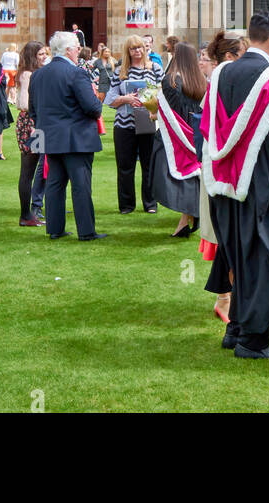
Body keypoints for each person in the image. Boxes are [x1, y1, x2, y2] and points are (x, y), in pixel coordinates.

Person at [201, 12, 269, 359]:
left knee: (235, 254)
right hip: (260, 182)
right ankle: (252, 342)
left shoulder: (222, 72)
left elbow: (208, 126)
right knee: (263, 257)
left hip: (223, 181)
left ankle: (235, 330)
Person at [29, 30, 107, 241]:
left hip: (50, 136)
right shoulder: (76, 73)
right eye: (76, 48)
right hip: (76, 137)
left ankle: (55, 229)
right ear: (68, 50)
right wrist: (96, 104)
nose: (79, 52)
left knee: (54, 183)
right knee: (80, 185)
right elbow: (92, 107)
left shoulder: (38, 74)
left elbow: (33, 109)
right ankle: (86, 231)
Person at [198, 30, 244, 323]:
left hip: (225, 167)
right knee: (226, 236)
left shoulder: (222, 81)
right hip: (219, 167)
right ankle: (225, 298)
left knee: (230, 236)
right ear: (229, 57)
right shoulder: (221, 83)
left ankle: (229, 296)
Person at [152, 42, 208, 237]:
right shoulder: (201, 81)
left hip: (176, 133)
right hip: (196, 132)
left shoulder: (170, 81)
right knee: (192, 174)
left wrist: (155, 112)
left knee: (171, 174)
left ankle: (188, 216)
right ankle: (188, 218)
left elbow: (171, 110)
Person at [104, 35, 164, 214]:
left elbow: (165, 92)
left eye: (139, 48)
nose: (137, 51)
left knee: (149, 165)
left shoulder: (155, 68)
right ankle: (127, 205)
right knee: (125, 166)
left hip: (148, 122)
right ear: (127, 51)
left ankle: (150, 203)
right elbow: (109, 99)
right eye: (133, 49)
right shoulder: (120, 72)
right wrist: (126, 99)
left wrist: (149, 98)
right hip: (124, 124)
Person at [15, 41, 48, 227]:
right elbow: (24, 103)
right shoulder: (28, 74)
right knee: (29, 170)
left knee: (37, 167)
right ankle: (26, 214)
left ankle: (32, 211)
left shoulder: (33, 73)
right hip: (32, 125)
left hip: (34, 123)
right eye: (41, 54)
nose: (44, 57)